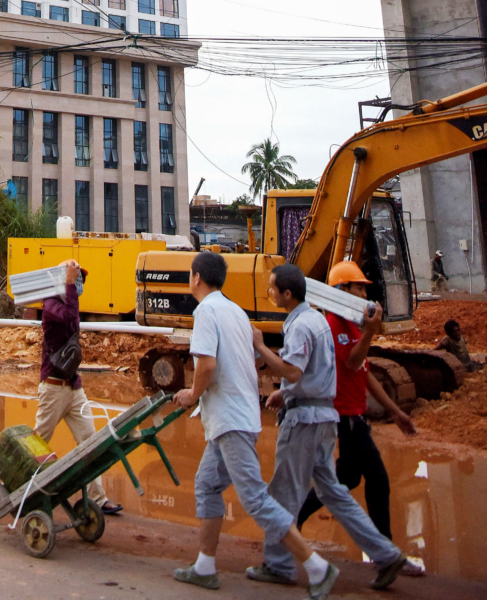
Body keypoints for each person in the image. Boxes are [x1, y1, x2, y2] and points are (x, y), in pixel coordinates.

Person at [172, 253, 337, 599]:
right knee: (206, 485)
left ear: (197, 277)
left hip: (229, 420)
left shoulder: (205, 312)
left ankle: (317, 566)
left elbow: (206, 365)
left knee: (256, 499)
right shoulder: (234, 311)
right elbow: (250, 360)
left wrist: (192, 394)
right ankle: (204, 566)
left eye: (190, 274)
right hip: (234, 417)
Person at [250, 264, 408, 591]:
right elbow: (316, 373)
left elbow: (294, 372)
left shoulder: (300, 326)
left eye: (272, 288)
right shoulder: (320, 322)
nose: (270, 293)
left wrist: (262, 347)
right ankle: (386, 553)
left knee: (282, 493)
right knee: (333, 492)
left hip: (304, 422)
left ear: (287, 294)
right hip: (325, 419)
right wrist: (285, 392)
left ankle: (279, 565)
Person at [295, 261, 423, 577]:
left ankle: (291, 521)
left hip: (353, 415)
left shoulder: (351, 325)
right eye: (358, 287)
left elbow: (364, 375)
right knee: (377, 479)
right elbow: (352, 363)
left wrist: (395, 411)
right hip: (344, 418)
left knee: (345, 480)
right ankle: (387, 555)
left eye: (364, 287)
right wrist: (369, 333)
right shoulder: (335, 324)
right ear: (341, 291)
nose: (364, 293)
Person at [33, 259, 122, 516]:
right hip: (53, 388)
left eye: (79, 278)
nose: (78, 283)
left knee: (89, 441)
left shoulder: (69, 301)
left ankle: (98, 498)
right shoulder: (50, 304)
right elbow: (69, 315)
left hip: (73, 386)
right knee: (39, 441)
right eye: (75, 277)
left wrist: (71, 285)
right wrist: (68, 283)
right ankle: (22, 486)